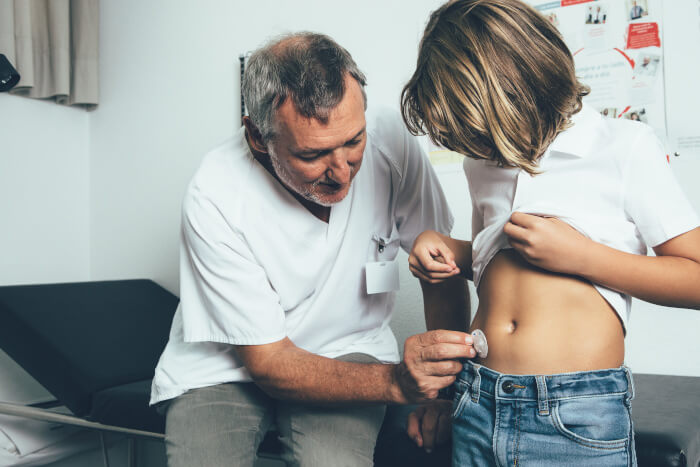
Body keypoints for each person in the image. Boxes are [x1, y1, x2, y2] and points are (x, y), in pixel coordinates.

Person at [150, 32, 473, 467]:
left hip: (349, 350)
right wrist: (397, 382)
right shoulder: (215, 193)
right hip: (226, 366)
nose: (342, 173)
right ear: (258, 136)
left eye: (354, 142)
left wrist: (441, 394)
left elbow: (443, 267)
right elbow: (269, 362)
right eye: (313, 155)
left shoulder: (390, 140)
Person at [401, 0, 700, 465]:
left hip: (575, 410)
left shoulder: (623, 147)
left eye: (481, 132)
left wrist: (583, 257)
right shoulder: (482, 164)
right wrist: (446, 252)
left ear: (524, 85)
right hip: (477, 399)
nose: (479, 149)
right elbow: (493, 265)